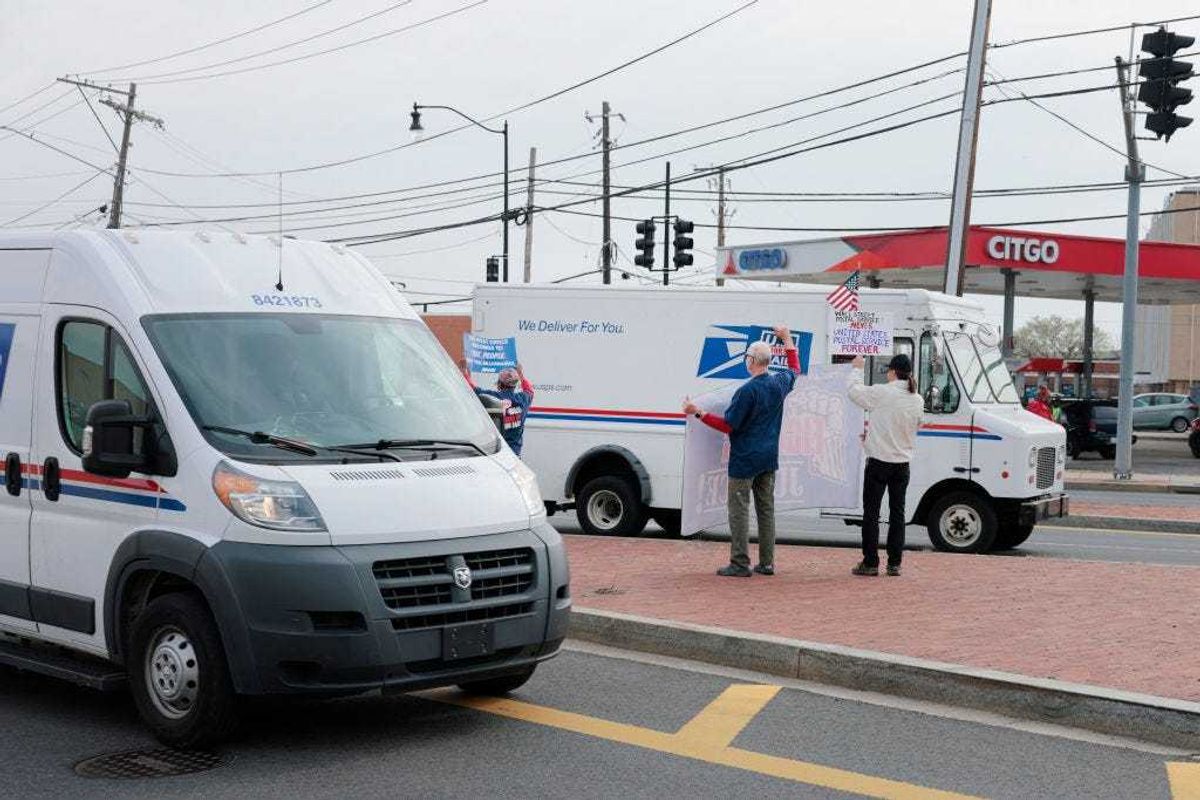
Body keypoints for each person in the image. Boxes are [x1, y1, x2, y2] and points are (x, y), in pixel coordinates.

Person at [682, 326, 801, 578]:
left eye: (747, 357)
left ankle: (739, 562)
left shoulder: (746, 392)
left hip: (744, 459)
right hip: (768, 458)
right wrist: (787, 338)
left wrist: (698, 412)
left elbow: (727, 425)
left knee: (739, 510)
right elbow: (795, 369)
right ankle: (767, 563)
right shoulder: (780, 383)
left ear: (751, 361)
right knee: (766, 511)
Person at [847, 353, 924, 577]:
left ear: (892, 371)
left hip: (879, 462)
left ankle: (870, 562)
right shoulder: (917, 399)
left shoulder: (883, 392)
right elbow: (911, 428)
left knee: (871, 513)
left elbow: (854, 392)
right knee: (897, 514)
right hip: (902, 464)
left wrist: (857, 369)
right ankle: (894, 563)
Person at [461, 362, 534, 456]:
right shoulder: (523, 399)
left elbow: (473, 389)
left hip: (498, 454)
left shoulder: (493, 397)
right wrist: (521, 375)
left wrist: (466, 374)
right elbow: (530, 390)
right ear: (515, 384)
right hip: (515, 455)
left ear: (499, 383)